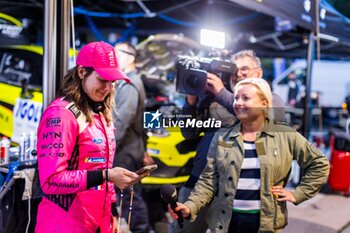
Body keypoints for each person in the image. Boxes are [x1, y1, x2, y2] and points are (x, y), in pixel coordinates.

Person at [169, 78, 329, 233]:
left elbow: (319, 163)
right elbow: (208, 181)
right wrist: (190, 206)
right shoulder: (222, 136)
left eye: (245, 98)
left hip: (264, 224)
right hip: (226, 222)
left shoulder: (285, 135)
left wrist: (297, 194)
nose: (238, 102)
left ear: (264, 104)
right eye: (236, 97)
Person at [35, 41, 147, 233]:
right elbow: (51, 180)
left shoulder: (100, 112)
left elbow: (104, 166)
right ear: (81, 72)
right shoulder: (61, 114)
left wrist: (112, 214)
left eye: (113, 81)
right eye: (103, 79)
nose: (108, 87)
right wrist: (106, 176)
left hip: (97, 222)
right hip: (65, 224)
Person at [170, 50, 284, 233]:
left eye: (245, 69)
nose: (238, 74)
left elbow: (267, 116)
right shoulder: (211, 97)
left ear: (259, 73)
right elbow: (188, 132)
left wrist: (221, 92)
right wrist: (190, 102)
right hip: (200, 181)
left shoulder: (270, 100)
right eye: (233, 70)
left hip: (238, 190)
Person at [113, 42, 153, 233]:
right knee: (129, 195)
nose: (113, 59)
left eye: (116, 54)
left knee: (129, 197)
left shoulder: (129, 84)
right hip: (131, 148)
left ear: (129, 57)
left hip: (125, 150)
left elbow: (121, 122)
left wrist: (108, 148)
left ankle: (142, 230)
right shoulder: (128, 81)